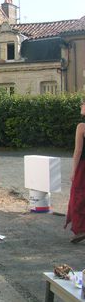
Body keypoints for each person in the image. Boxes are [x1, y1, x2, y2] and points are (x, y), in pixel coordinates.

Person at [65, 100, 85, 243]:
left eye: (83, 103)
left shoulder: (81, 127)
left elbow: (78, 151)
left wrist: (73, 170)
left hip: (83, 167)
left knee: (78, 196)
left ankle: (81, 229)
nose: (81, 106)